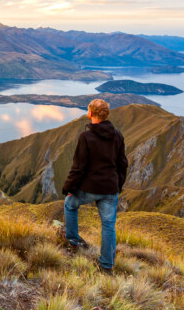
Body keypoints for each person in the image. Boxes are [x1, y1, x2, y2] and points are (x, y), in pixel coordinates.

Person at [61, 98, 128, 274]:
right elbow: (123, 164)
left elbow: (78, 168)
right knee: (108, 226)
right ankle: (106, 266)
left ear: (90, 113)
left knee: (70, 205)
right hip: (110, 189)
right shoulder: (118, 135)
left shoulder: (86, 137)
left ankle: (72, 242)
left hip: (89, 189)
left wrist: (68, 188)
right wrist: (117, 186)